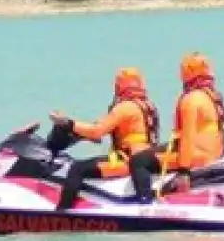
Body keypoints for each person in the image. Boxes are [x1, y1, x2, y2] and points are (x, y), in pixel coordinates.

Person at [47, 68, 163, 211]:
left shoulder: (123, 108)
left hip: (127, 161)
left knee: (77, 168)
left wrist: (68, 123)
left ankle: (62, 212)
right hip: (146, 161)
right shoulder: (148, 106)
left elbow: (97, 132)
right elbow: (100, 126)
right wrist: (79, 129)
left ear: (119, 86)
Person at [162, 52, 224, 176]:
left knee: (139, 161)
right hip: (216, 154)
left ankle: (145, 195)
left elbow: (188, 137)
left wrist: (184, 171)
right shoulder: (215, 97)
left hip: (197, 156)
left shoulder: (191, 99)